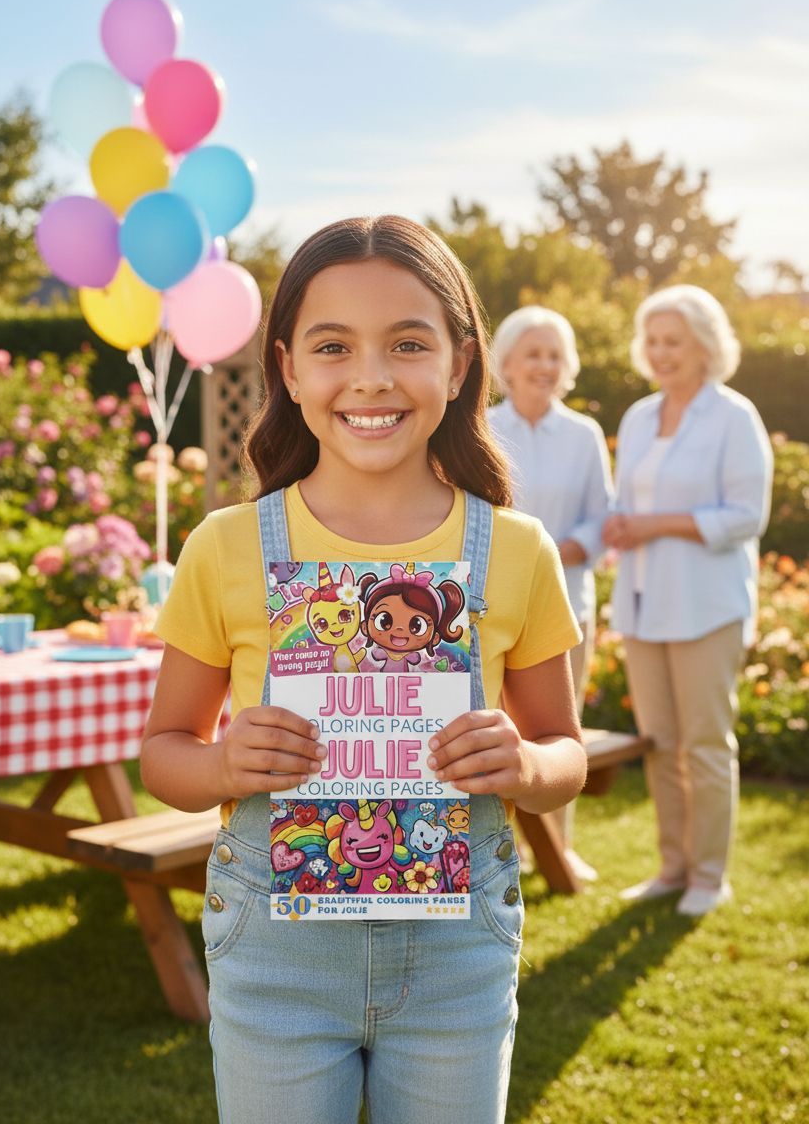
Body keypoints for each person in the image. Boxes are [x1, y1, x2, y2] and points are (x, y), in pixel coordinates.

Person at [140, 215, 587, 1124]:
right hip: (276, 957)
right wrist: (223, 765)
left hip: (459, 957)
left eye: (409, 343)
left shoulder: (517, 551)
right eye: (334, 345)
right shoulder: (224, 548)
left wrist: (525, 764)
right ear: (290, 370)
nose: (372, 376)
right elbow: (163, 754)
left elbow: (565, 754)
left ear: (459, 366)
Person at [603, 285, 772, 918]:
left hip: (707, 606)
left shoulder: (734, 416)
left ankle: (709, 875)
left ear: (705, 346)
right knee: (660, 741)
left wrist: (657, 525)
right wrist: (621, 524)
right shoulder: (640, 415)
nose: (661, 352)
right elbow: (627, 503)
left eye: (674, 341)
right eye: (653, 340)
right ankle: (672, 867)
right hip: (644, 604)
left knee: (703, 744)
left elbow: (745, 516)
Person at [488, 306, 613, 883]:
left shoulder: (584, 435)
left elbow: (601, 518)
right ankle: (502, 848)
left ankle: (558, 850)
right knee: (493, 727)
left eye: (554, 355)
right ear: (506, 363)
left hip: (568, 603)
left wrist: (561, 551)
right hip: (491, 607)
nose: (544, 365)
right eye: (532, 353)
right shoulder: (482, 428)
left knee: (559, 729)